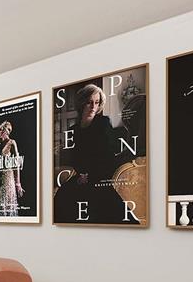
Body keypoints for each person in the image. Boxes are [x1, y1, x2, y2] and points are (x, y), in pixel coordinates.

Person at [54, 83, 138, 224]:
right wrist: (81, 175)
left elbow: (107, 156)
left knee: (101, 200)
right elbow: (76, 157)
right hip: (82, 176)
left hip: (100, 174)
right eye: (89, 102)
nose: (93, 106)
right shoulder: (74, 130)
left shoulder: (103, 123)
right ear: (82, 103)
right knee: (63, 195)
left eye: (97, 102)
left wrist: (91, 176)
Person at [0, 121, 24, 216]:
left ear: (5, 132)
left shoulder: (12, 142)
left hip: (8, 178)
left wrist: (18, 183)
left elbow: (16, 164)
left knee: (4, 206)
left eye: (0, 130)